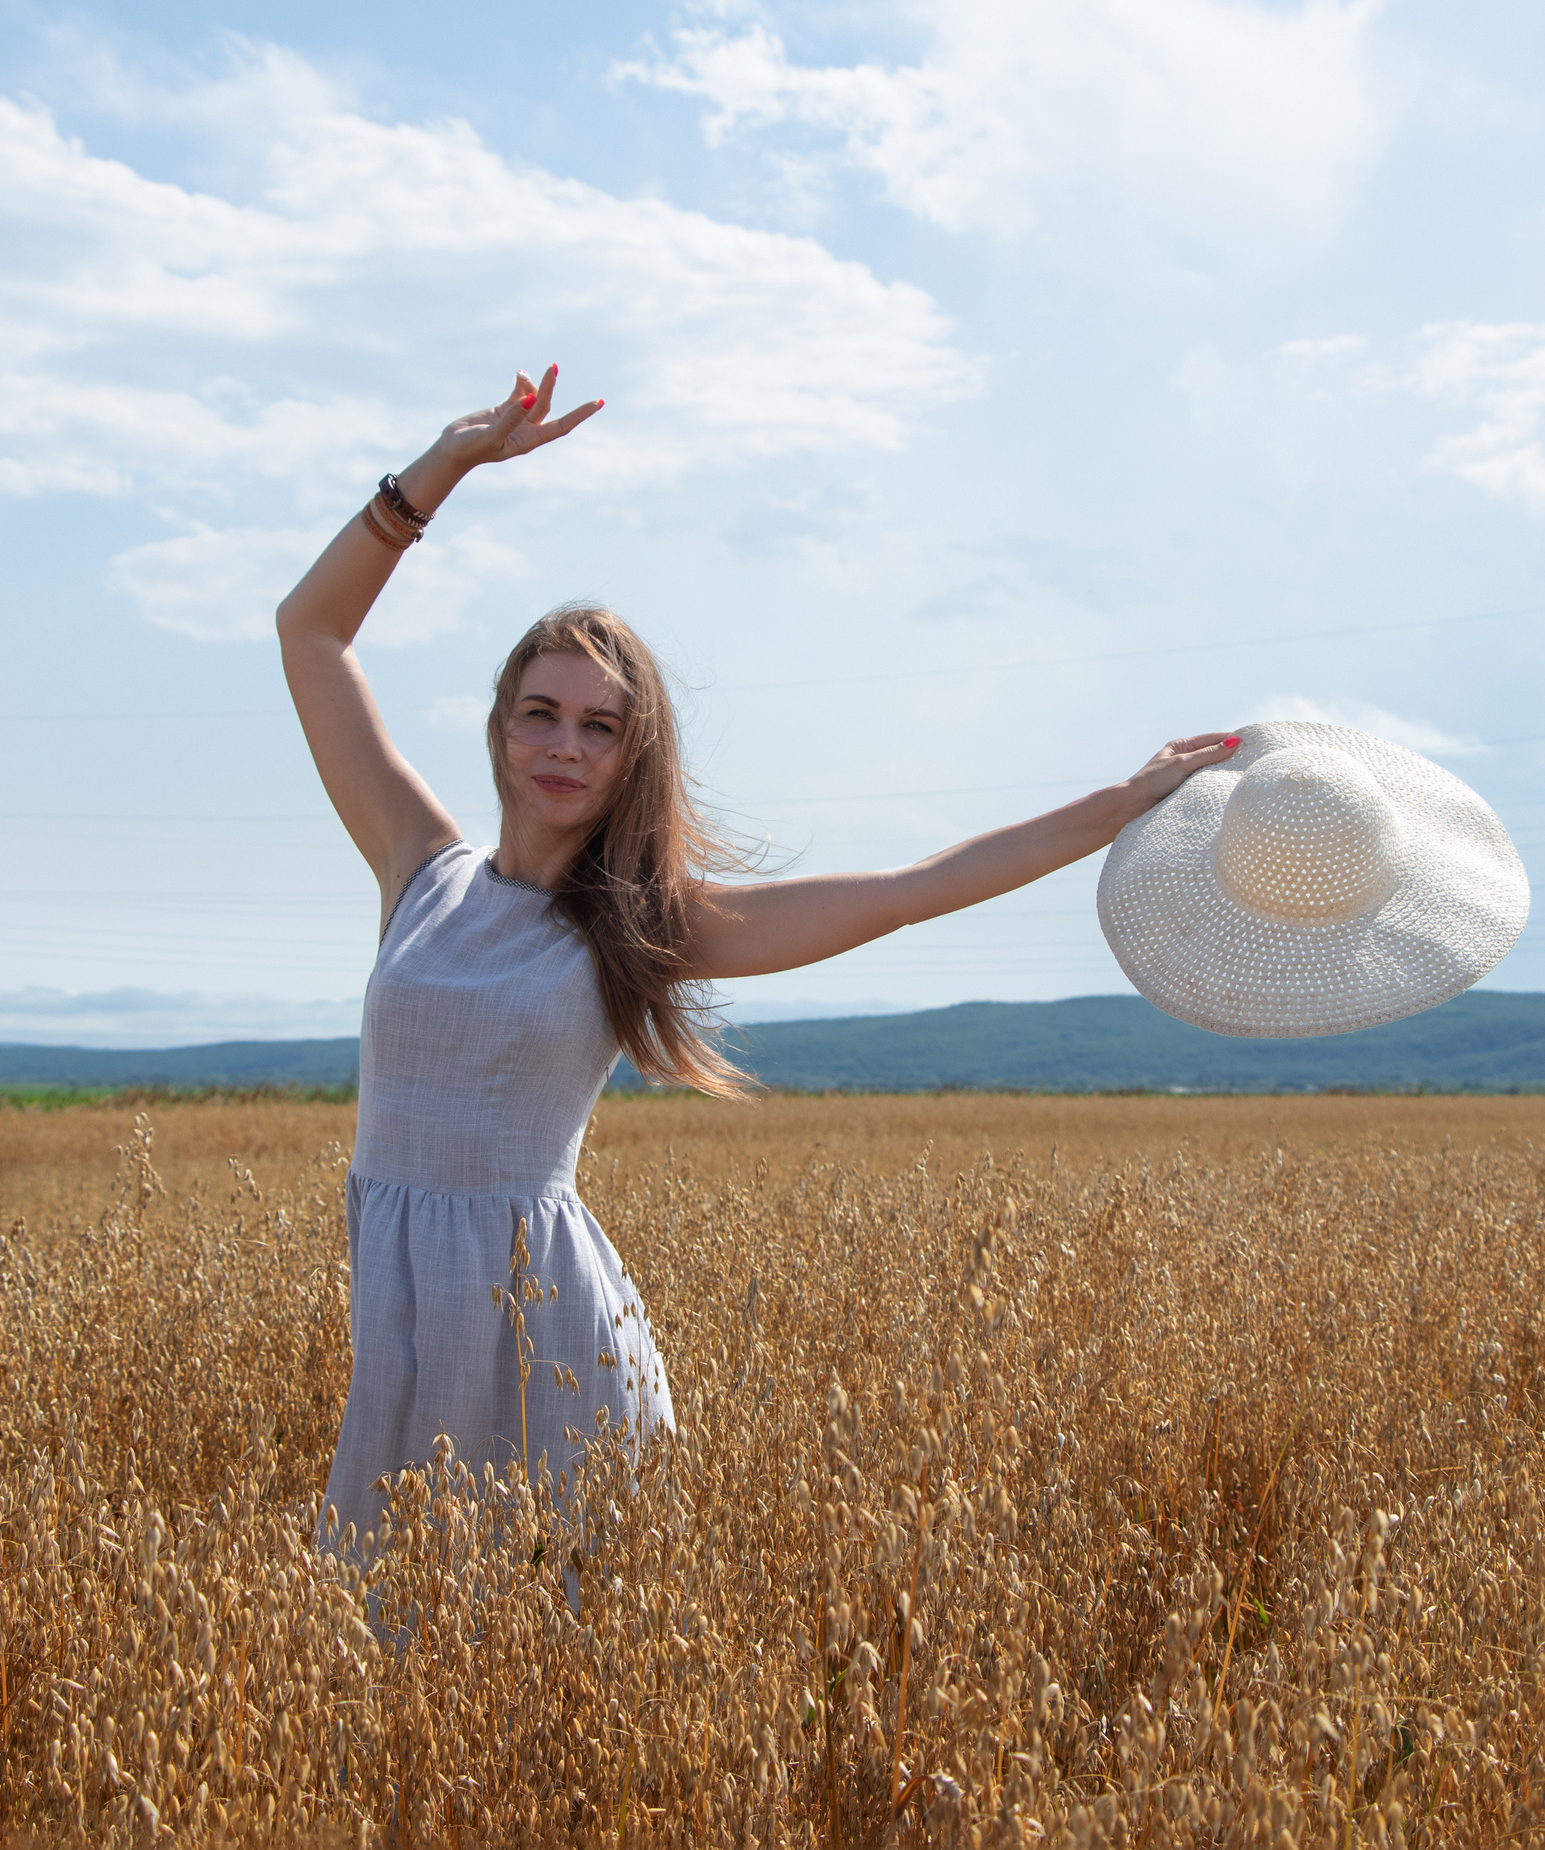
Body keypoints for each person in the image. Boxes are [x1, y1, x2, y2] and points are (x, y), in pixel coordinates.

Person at [277, 366, 1238, 1546]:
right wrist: (446, 463)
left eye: (600, 725)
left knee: (551, 1678)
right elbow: (309, 632)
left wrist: (1113, 804)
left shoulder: (641, 921)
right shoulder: (417, 867)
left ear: (634, 756)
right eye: (541, 712)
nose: (564, 745)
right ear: (497, 724)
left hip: (552, 1350)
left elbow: (908, 892)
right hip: (403, 1340)